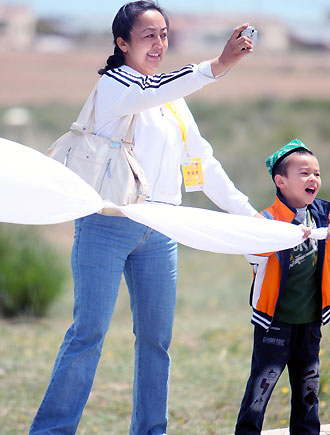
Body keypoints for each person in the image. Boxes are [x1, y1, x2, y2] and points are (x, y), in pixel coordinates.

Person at [30, 1, 260, 434]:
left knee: (156, 342)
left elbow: (203, 165)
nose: (159, 44)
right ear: (122, 42)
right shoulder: (115, 84)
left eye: (164, 35)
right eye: (148, 35)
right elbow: (155, 89)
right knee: (88, 334)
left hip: (160, 233)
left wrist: (251, 219)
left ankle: (151, 430)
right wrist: (219, 65)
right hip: (106, 224)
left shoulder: (172, 101)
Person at [235, 139, 330, 435]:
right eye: (303, 173)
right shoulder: (266, 220)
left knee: (308, 387)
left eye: (316, 173)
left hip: (310, 321)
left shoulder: (324, 216)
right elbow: (251, 253)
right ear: (281, 181)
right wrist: (283, 236)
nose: (312, 178)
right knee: (262, 385)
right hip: (274, 323)